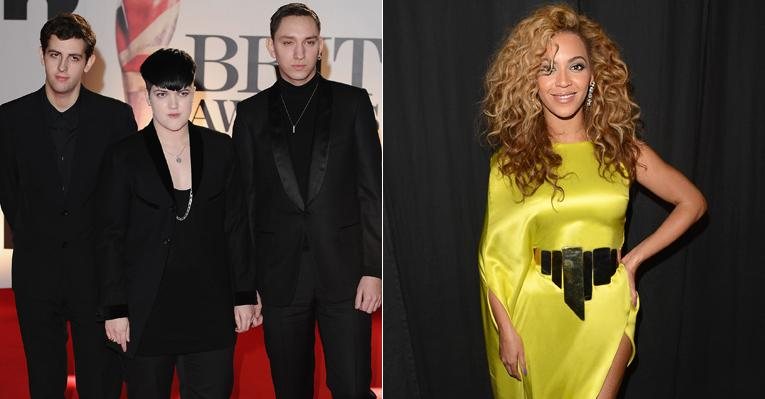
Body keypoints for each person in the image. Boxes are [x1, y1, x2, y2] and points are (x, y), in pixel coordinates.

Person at [478, 4, 707, 398]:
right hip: (537, 313)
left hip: (607, 305)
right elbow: (494, 255)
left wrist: (633, 261)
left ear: (594, 76)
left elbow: (692, 203)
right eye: (547, 68)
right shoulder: (511, 162)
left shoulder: (622, 150)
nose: (563, 81)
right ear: (529, 81)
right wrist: (507, 330)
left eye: (576, 66)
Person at [232, 3, 381, 398]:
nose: (298, 53)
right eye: (288, 42)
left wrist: (374, 269)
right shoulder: (250, 114)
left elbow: (372, 190)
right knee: (290, 390)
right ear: (271, 47)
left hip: (347, 276)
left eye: (308, 42)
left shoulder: (353, 104)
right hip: (278, 279)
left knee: (351, 387)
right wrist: (245, 287)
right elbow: (242, 204)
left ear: (320, 48)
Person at [96, 48, 259, 398]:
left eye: (182, 93)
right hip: (146, 310)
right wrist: (115, 308)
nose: (174, 104)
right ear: (149, 95)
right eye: (162, 93)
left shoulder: (221, 150)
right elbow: (110, 235)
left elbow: (236, 225)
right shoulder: (124, 156)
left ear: (194, 95)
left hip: (210, 309)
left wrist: (244, 294)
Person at [0, 13, 135, 398]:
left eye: (73, 57)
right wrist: (32, 236)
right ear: (42, 55)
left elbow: (123, 197)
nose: (62, 66)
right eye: (55, 55)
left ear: (89, 62)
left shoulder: (115, 118)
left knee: (101, 383)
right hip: (35, 273)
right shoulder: (10, 119)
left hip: (96, 275)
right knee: (43, 381)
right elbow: (7, 190)